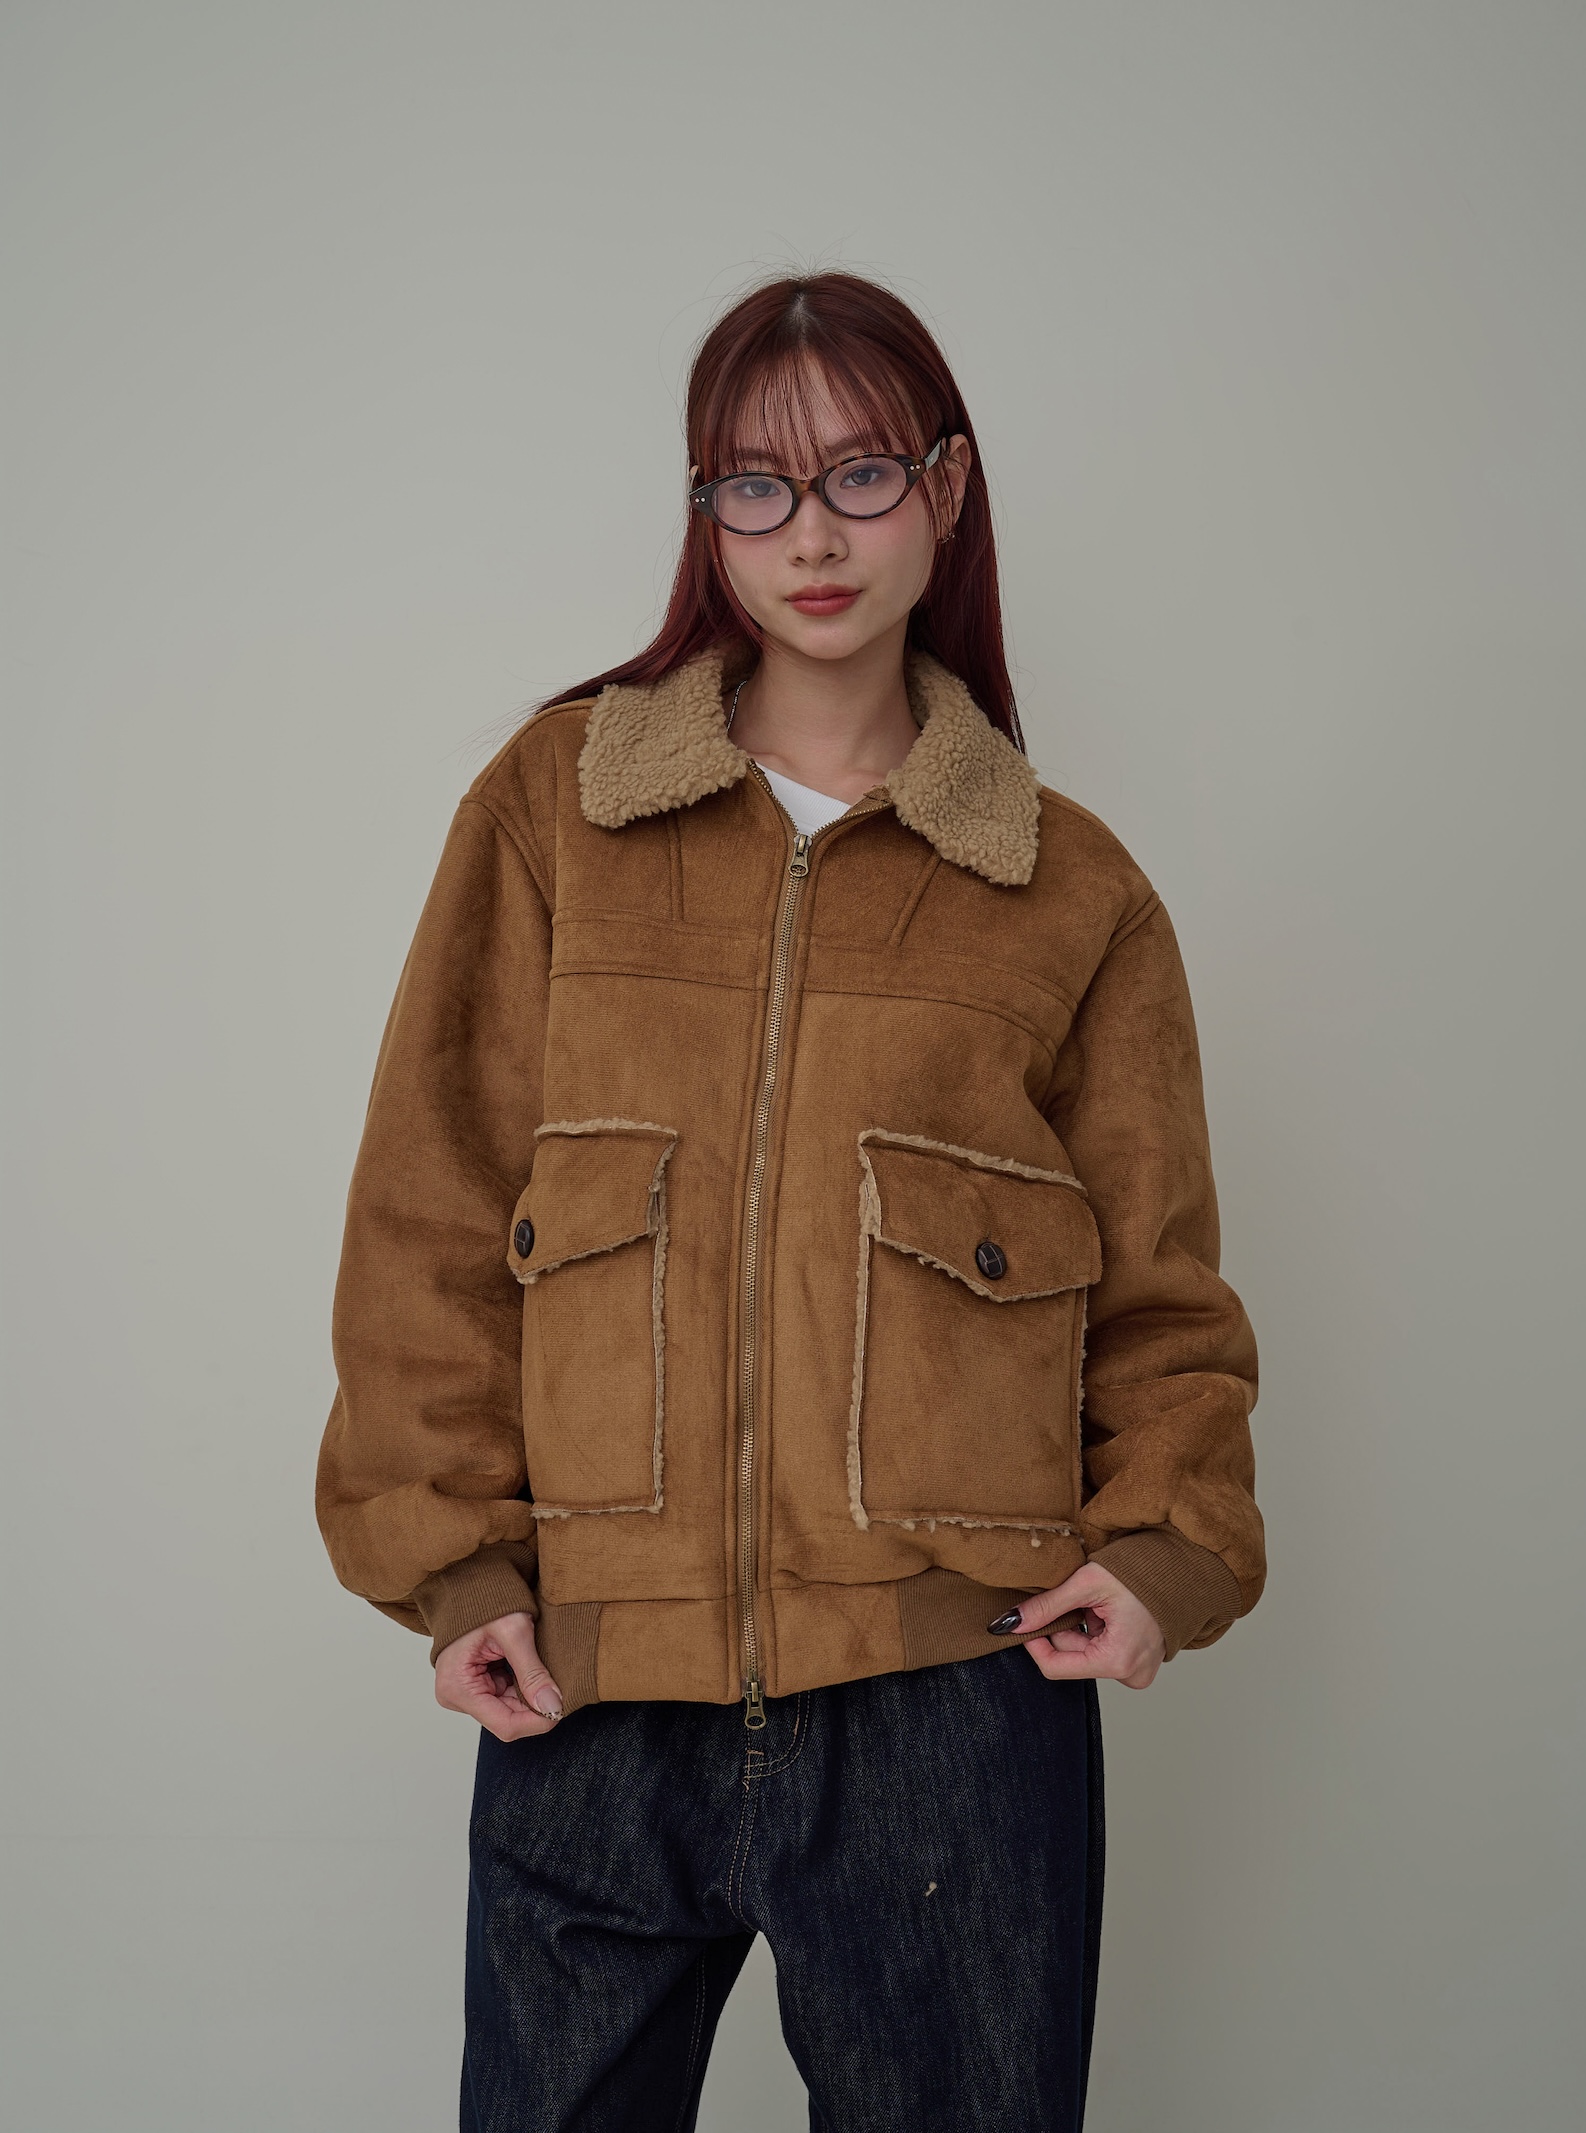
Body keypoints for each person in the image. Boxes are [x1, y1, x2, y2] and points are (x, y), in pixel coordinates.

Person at [316, 270, 1266, 2133]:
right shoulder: (557, 811)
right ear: (707, 513)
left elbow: (1160, 1293)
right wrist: (457, 1565)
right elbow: (432, 1212)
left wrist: (1162, 1546)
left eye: (859, 474)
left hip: (953, 1706)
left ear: (947, 488)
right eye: (756, 485)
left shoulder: (1072, 893)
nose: (811, 534)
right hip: (596, 1682)